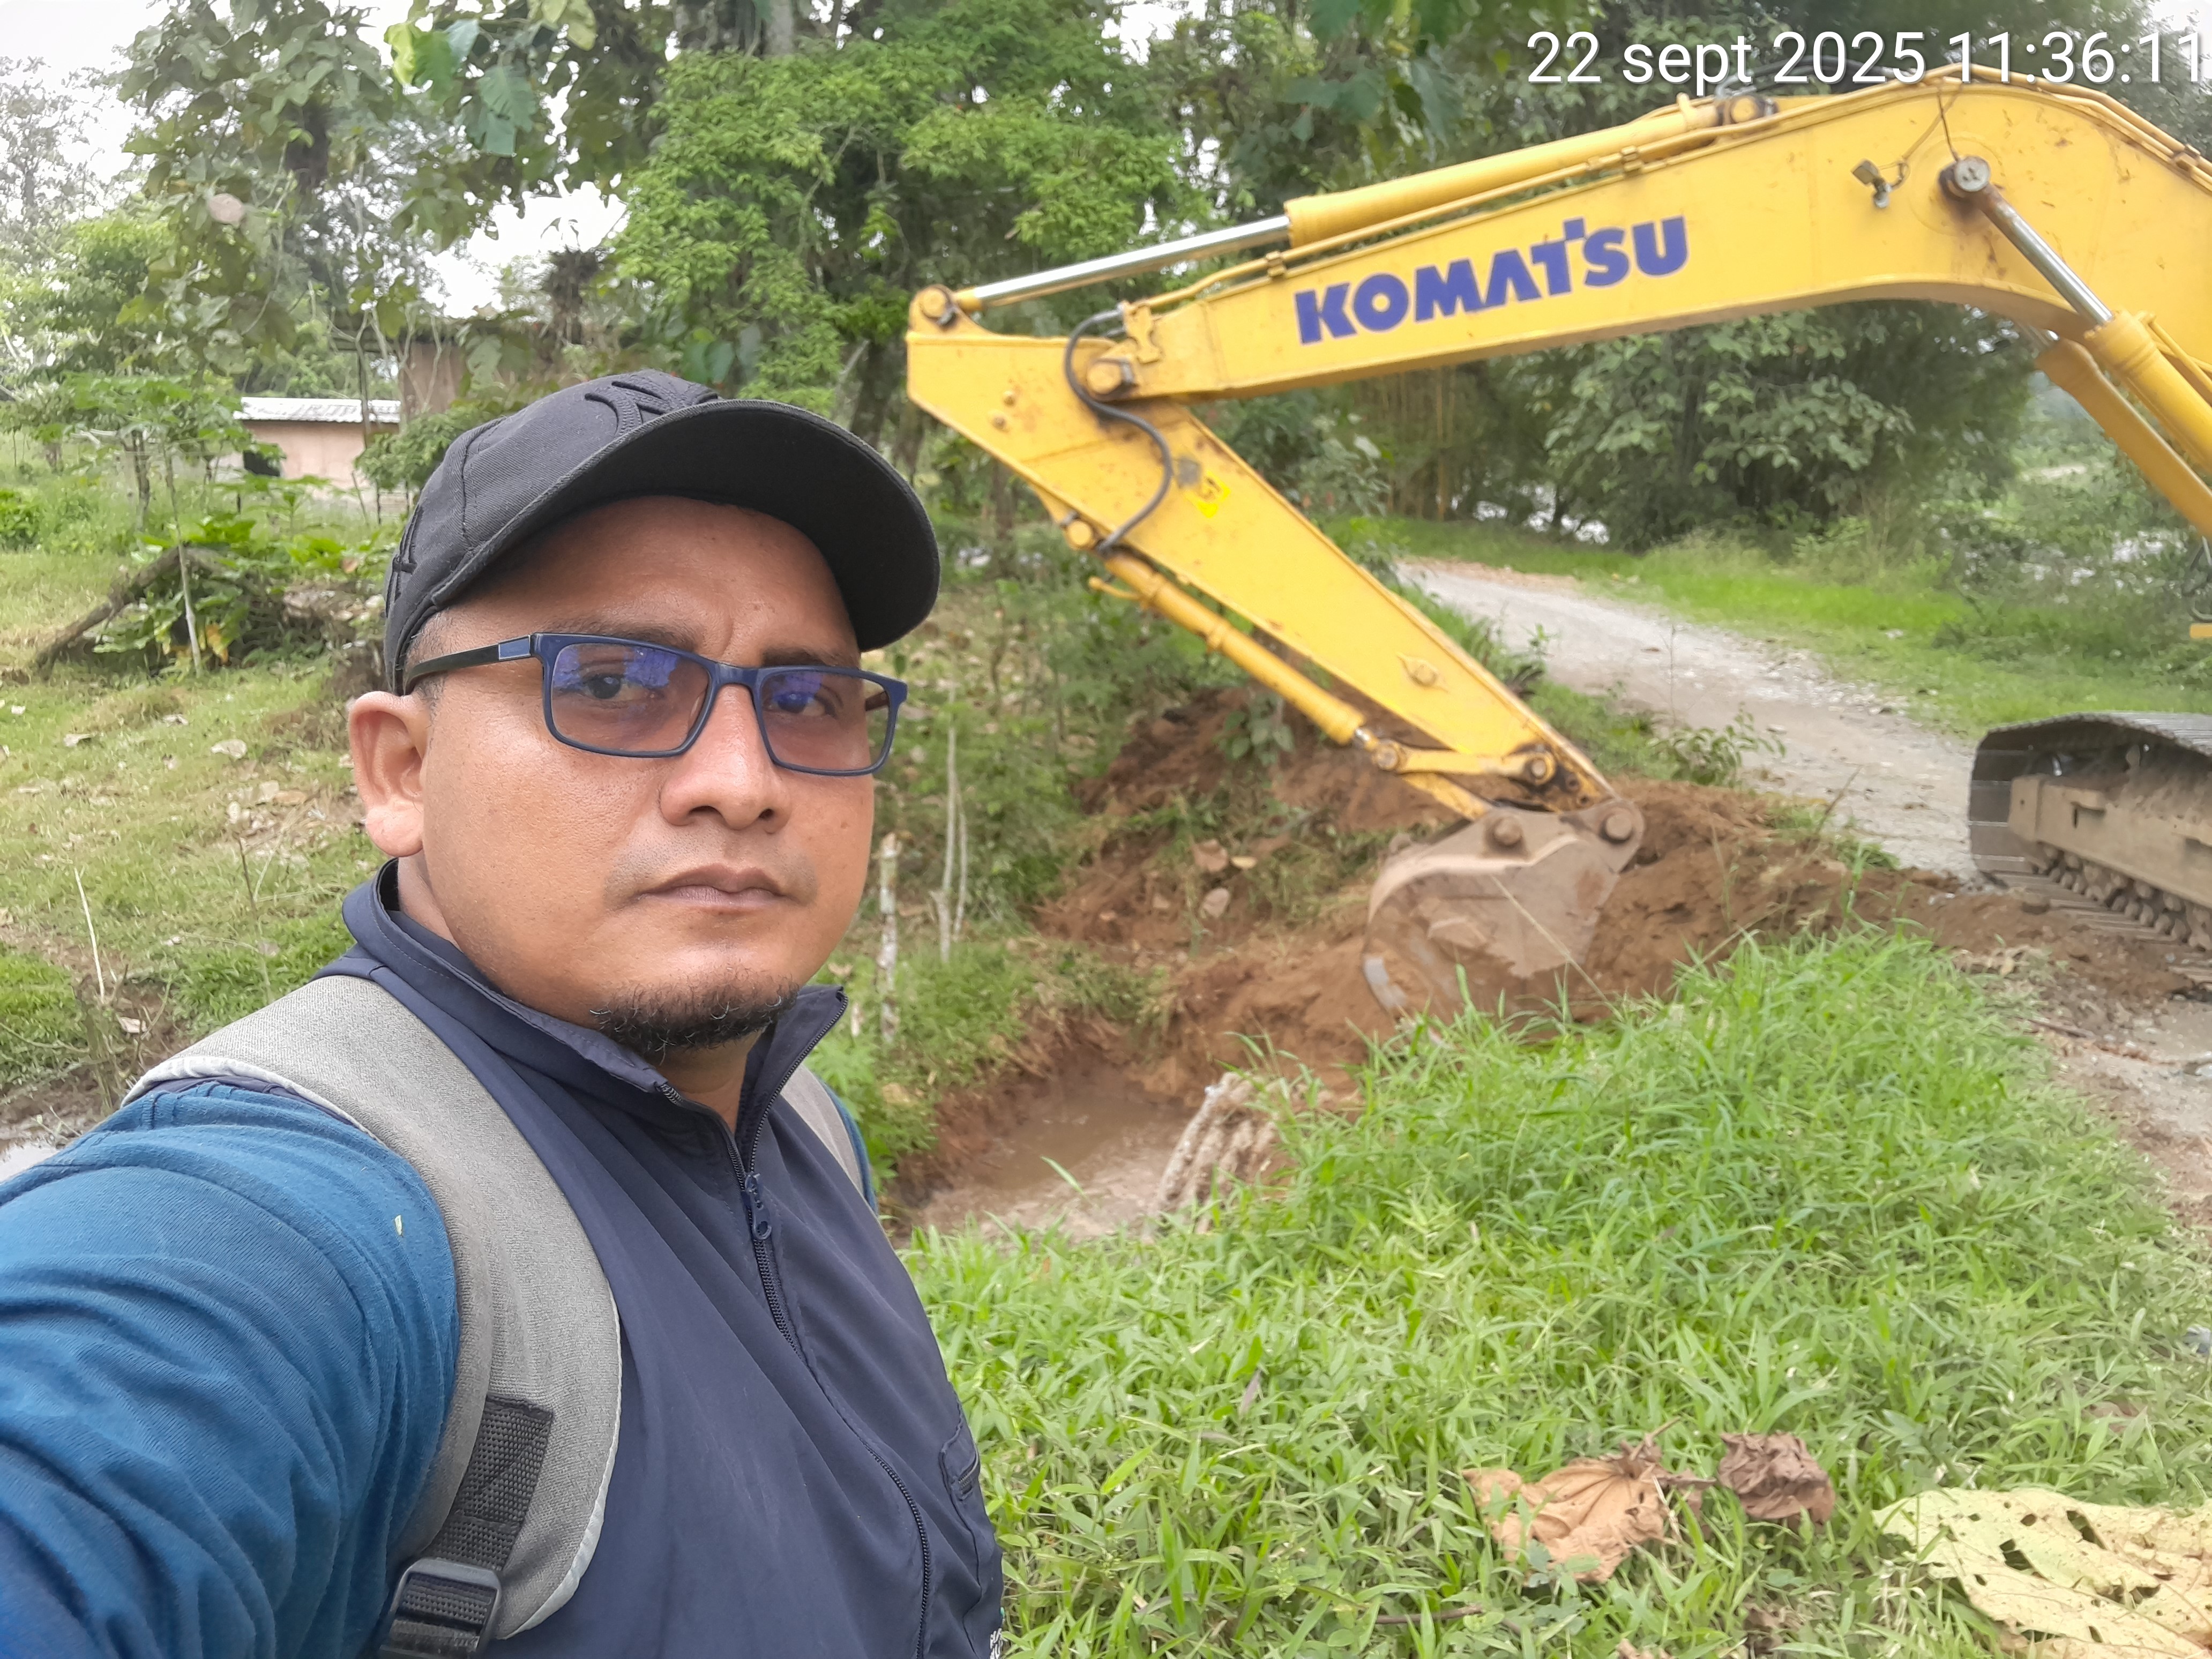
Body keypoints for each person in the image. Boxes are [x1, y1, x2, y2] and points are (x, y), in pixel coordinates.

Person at [0, 371, 1004, 1657]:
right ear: (401, 771)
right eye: (612, 681)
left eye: (804, 700)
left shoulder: (803, 1122)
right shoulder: (287, 1228)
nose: (743, 782)